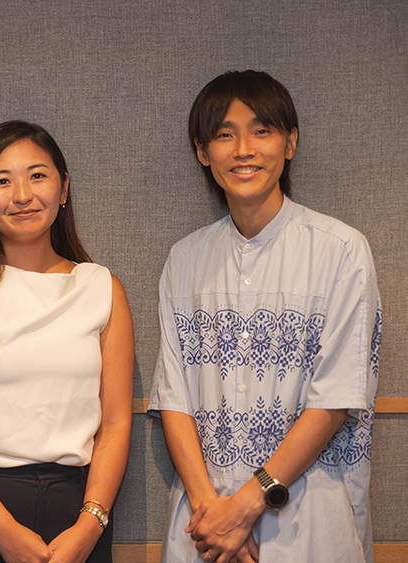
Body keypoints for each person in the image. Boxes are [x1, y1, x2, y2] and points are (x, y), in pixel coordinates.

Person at [148, 71, 381, 563]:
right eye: (224, 134)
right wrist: (215, 513)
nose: (243, 150)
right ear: (202, 151)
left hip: (308, 521)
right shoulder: (184, 260)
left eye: (261, 131)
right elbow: (174, 399)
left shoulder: (341, 251)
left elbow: (335, 399)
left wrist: (244, 507)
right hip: (204, 526)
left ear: (290, 142)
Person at [0, 120, 134, 563]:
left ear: (63, 188)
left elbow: (115, 424)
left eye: (37, 176)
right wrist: (3, 531)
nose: (22, 195)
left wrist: (90, 524)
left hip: (76, 514)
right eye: (2, 181)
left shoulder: (102, 288)